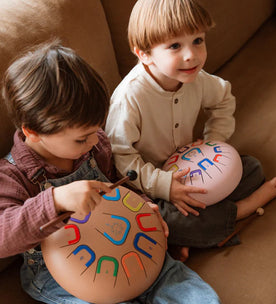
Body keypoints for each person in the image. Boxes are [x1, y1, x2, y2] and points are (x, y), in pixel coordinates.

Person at [0, 41, 221, 304]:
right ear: (32, 132)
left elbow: (120, 186)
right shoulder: (11, 175)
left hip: (127, 244)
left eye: (97, 129)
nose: (95, 141)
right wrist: (56, 200)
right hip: (64, 276)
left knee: (195, 296)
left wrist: (146, 210)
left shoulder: (96, 145)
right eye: (82, 139)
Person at [105, 0, 276, 261]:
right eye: (175, 46)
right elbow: (121, 157)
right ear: (144, 54)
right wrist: (165, 186)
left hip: (193, 169)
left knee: (252, 168)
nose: (191, 55)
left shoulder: (196, 78)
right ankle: (240, 211)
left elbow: (223, 99)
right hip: (150, 185)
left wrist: (214, 143)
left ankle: (192, 236)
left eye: (198, 40)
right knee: (161, 219)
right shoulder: (129, 98)